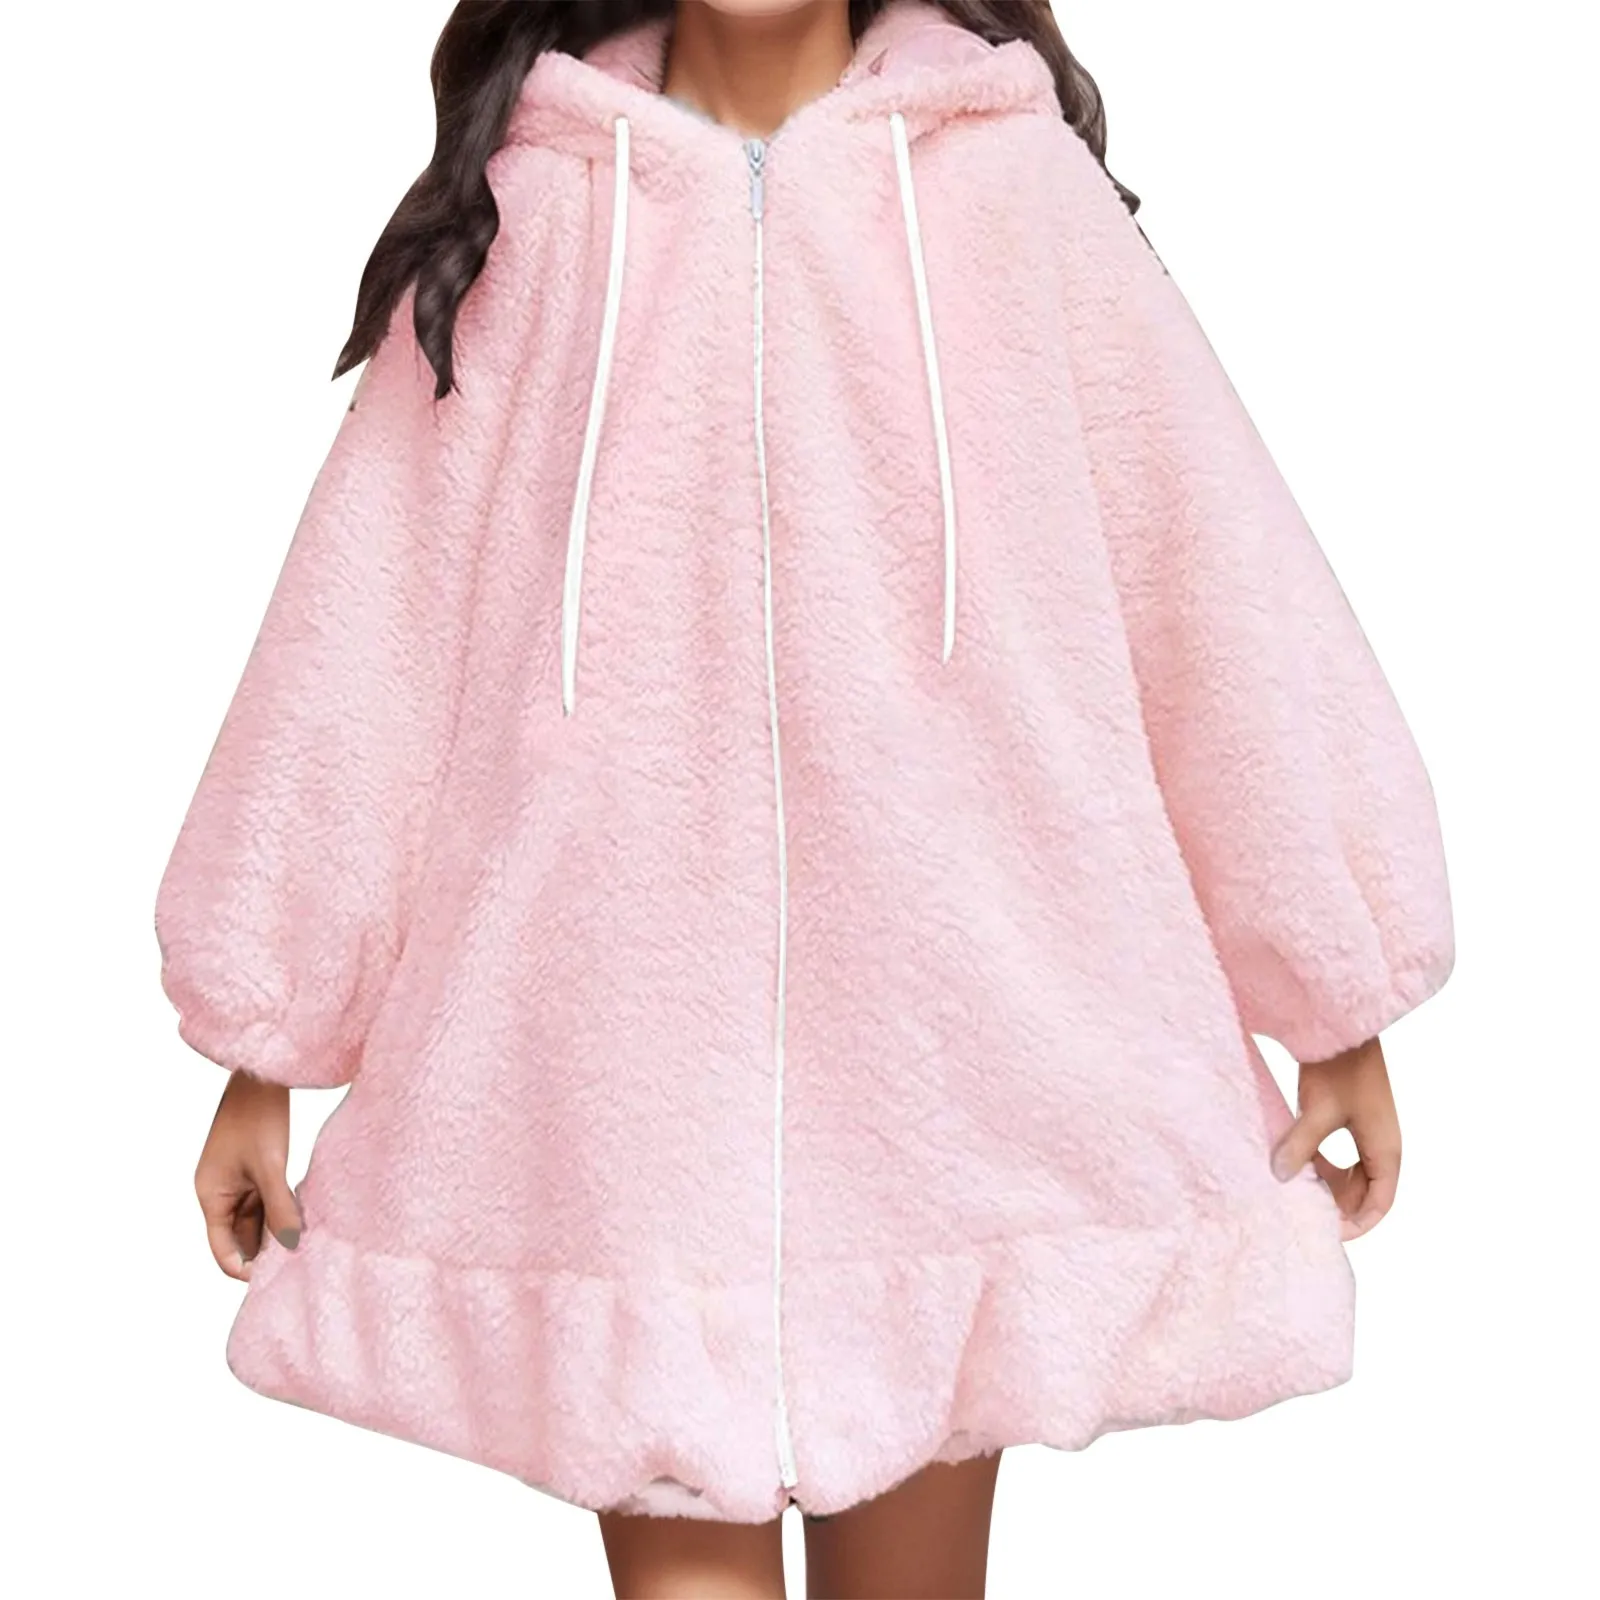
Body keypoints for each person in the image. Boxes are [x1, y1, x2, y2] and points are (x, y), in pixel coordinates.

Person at [153, 1, 1456, 1595]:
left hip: (950, 1079)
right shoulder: (539, 215)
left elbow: (1203, 570)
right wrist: (268, 1032)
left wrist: (1333, 985)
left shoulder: (1006, 187)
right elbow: (371, 632)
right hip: (621, 1093)